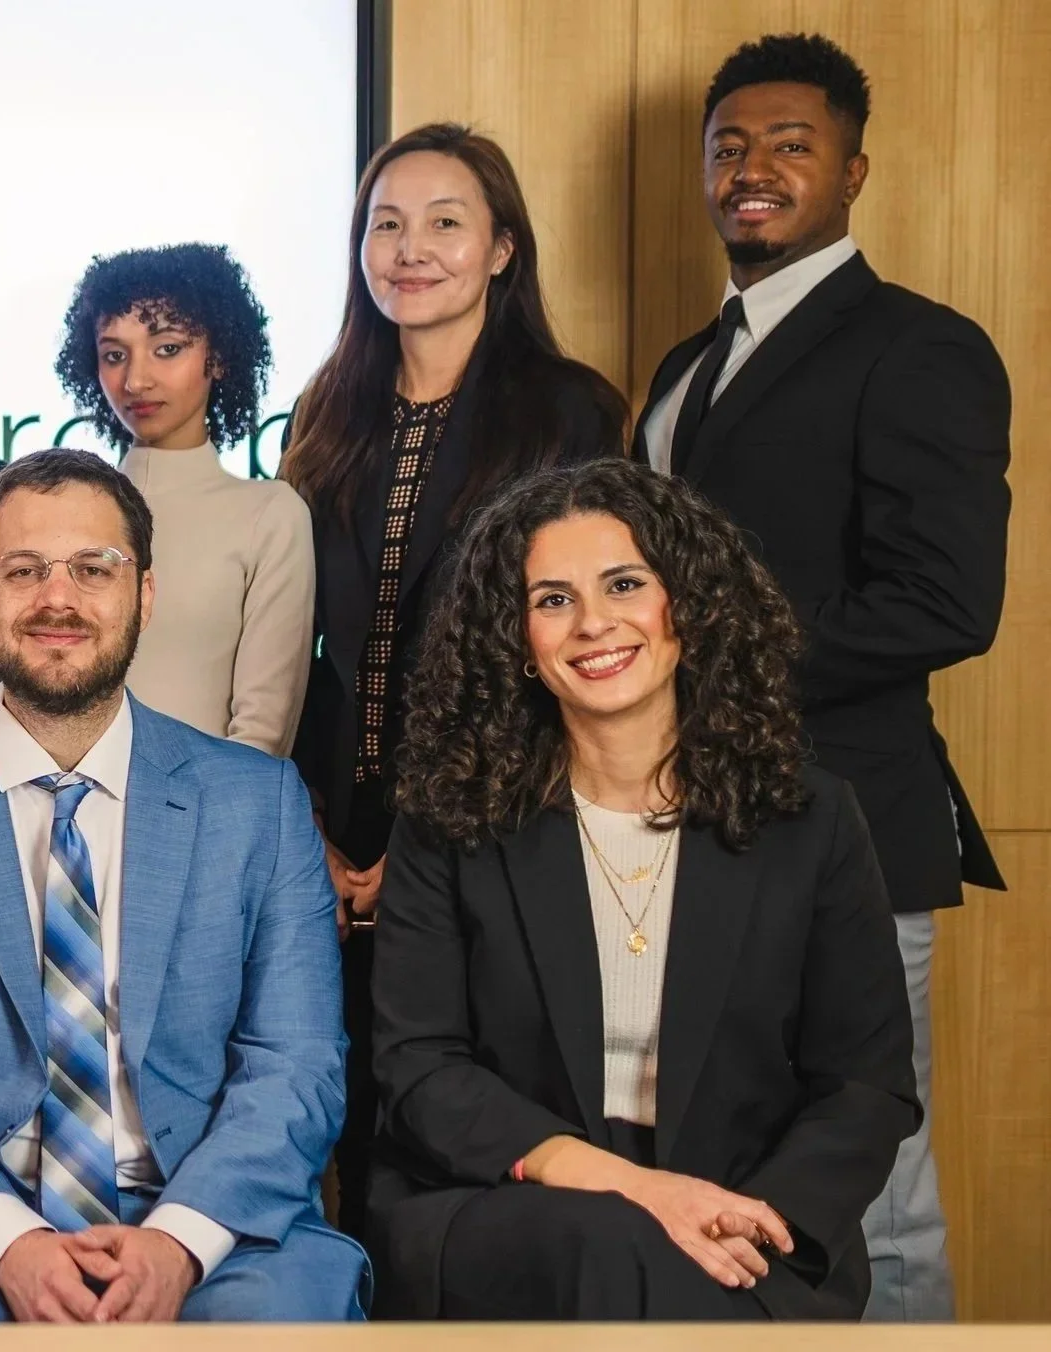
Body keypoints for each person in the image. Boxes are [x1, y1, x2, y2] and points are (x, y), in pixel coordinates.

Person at [0, 449, 366, 1324]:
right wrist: (10, 1245)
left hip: (208, 1213)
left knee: (289, 1316)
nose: (57, 599)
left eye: (94, 569)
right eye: (24, 570)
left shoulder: (258, 804)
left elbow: (296, 1068)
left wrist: (178, 1242)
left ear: (145, 595)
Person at [633, 36, 1008, 1321]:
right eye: (728, 146)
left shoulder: (919, 347)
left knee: (878, 1198)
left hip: (849, 824)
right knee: (719, 1172)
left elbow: (945, 601)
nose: (752, 168)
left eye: (790, 145)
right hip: (686, 830)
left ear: (853, 172)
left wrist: (707, 665)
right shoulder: (684, 366)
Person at [369, 456, 918, 1319]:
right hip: (510, 1200)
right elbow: (420, 1067)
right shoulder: (451, 820)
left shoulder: (810, 819)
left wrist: (745, 1220)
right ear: (516, 642)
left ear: (688, 606)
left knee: (667, 1274)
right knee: (616, 1244)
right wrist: (638, 1192)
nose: (594, 623)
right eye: (553, 600)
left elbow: (865, 1086)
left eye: (624, 584)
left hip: (747, 1215)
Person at [279, 122, 626, 1238]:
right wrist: (313, 823)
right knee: (345, 1127)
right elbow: (304, 649)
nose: (410, 249)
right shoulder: (326, 413)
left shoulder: (566, 410)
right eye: (386, 225)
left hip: (498, 819)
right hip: (339, 832)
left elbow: (572, 650)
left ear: (502, 249)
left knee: (469, 1135)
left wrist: (424, 837)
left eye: (444, 223)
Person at [56, 242, 311, 752]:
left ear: (219, 357)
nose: (136, 380)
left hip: (212, 801)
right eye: (114, 355)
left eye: (167, 348)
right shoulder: (62, 512)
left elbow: (263, 734)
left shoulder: (270, 515)